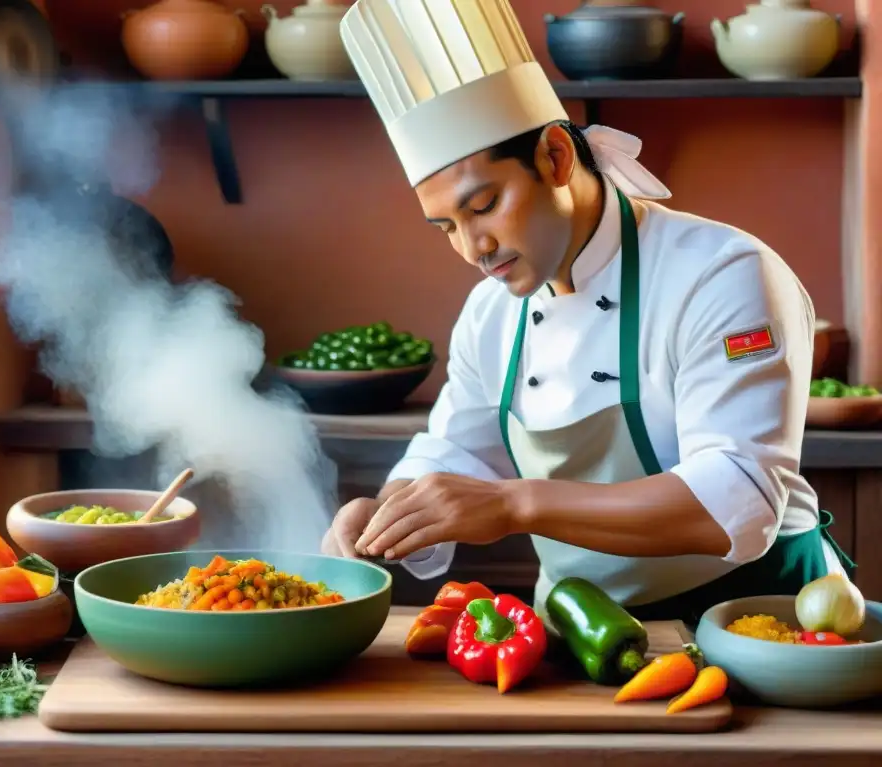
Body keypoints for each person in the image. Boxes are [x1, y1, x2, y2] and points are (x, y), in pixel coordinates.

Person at [320, 0, 854, 624]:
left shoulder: (721, 274)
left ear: (555, 156)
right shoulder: (490, 313)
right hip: (584, 632)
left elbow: (738, 500)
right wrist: (388, 512)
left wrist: (517, 506)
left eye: (485, 205)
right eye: (446, 227)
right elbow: (456, 453)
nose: (472, 248)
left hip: (760, 622)